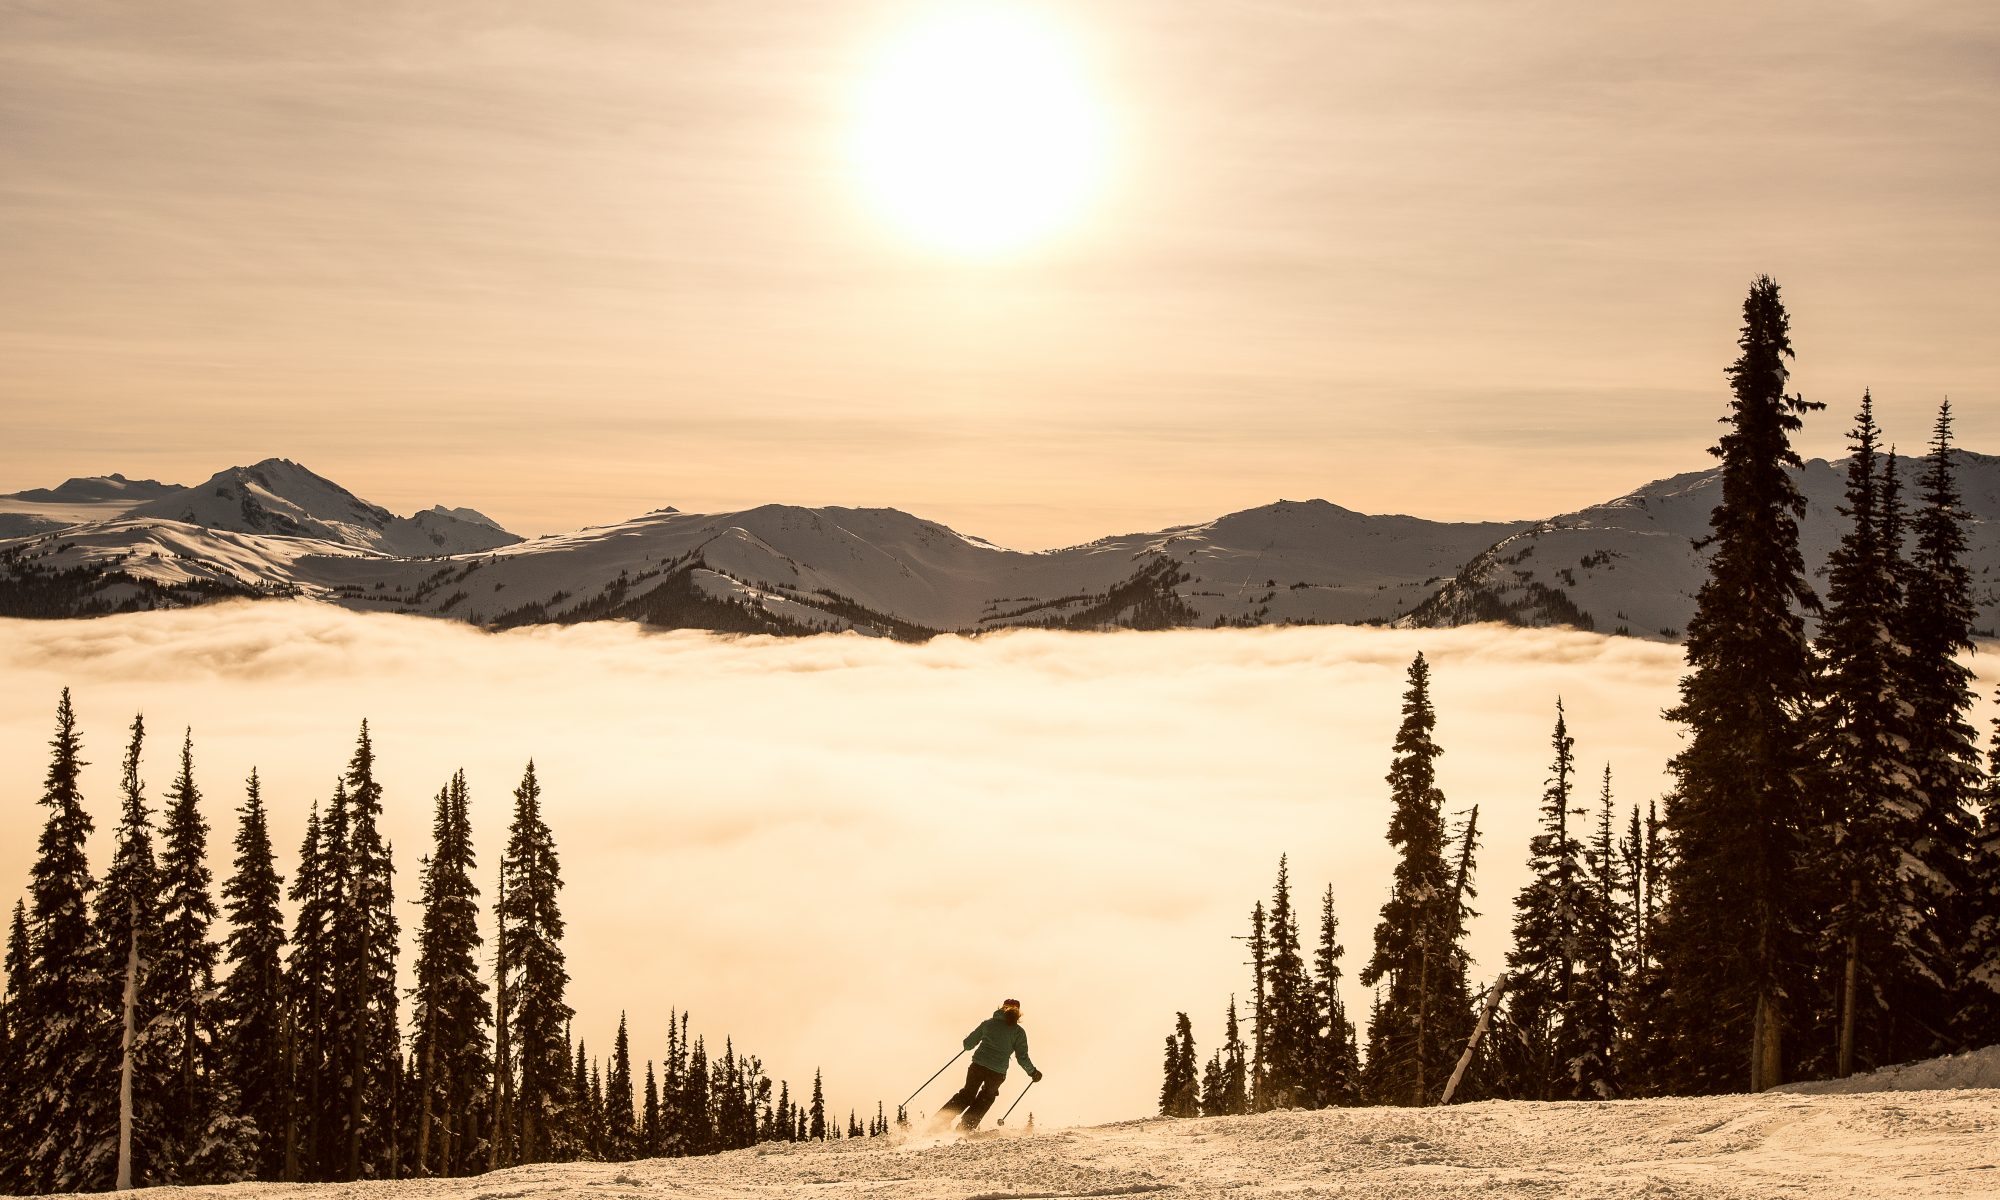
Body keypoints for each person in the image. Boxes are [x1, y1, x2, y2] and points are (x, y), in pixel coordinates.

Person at [933, 998, 1043, 1132]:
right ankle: (964, 1128)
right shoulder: (1018, 1032)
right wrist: (1033, 1072)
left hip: (978, 1065)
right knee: (986, 1098)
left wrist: (972, 1043)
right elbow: (1022, 1058)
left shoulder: (988, 1024)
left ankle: (937, 1123)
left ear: (1002, 1008)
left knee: (967, 1094)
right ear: (1018, 1013)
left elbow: (967, 1045)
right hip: (997, 1072)